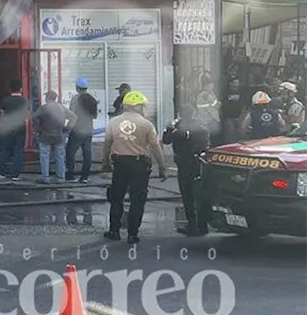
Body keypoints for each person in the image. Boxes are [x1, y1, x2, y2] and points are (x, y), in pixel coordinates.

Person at [101, 91, 168, 244]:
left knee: (117, 197)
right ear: (138, 107)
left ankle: (114, 231)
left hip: (120, 164)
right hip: (140, 165)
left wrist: (104, 162)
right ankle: (132, 234)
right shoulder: (146, 124)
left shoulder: (113, 122)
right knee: (137, 199)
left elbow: (107, 144)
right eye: (143, 106)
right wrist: (162, 167)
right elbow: (155, 147)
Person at [162, 103, 213, 236]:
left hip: (185, 164)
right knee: (200, 196)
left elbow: (166, 140)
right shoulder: (201, 126)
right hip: (200, 163)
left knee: (187, 196)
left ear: (181, 115)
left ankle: (192, 225)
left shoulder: (180, 129)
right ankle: (203, 225)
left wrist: (168, 129)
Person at [0, 80, 30, 181]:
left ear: (10, 89)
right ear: (21, 89)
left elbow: (2, 115)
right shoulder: (25, 101)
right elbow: (27, 115)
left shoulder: (5, 100)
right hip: (21, 128)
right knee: (18, 150)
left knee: (4, 150)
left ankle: (1, 172)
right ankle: (16, 174)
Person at [35, 91, 75, 183]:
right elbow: (73, 117)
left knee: (45, 157)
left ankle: (45, 178)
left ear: (48, 98)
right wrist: (66, 128)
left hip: (45, 135)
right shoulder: (61, 108)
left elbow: (34, 117)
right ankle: (60, 178)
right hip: (59, 136)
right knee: (60, 157)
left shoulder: (44, 108)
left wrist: (38, 128)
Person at [66, 77, 99, 183]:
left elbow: (72, 114)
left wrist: (68, 127)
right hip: (89, 129)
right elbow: (95, 116)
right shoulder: (92, 99)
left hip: (78, 129)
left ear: (77, 87)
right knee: (87, 153)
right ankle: (85, 176)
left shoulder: (76, 99)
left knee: (70, 152)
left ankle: (70, 175)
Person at [220, 76, 246, 145]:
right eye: (235, 82)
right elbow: (222, 104)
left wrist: (242, 116)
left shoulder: (241, 92)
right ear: (230, 83)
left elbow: (244, 105)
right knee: (229, 136)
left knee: (238, 136)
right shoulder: (225, 92)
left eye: (237, 82)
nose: (236, 84)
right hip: (228, 118)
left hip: (239, 117)